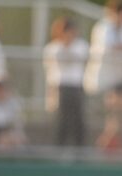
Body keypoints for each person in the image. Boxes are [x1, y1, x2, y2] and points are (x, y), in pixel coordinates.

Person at [85, 0, 122, 153]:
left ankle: (109, 143)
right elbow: (108, 48)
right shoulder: (103, 28)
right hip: (105, 81)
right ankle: (106, 144)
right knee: (116, 111)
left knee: (120, 116)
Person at [43, 17, 89, 147]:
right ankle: (59, 147)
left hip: (76, 86)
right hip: (60, 86)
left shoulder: (81, 46)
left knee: (78, 118)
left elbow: (80, 59)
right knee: (61, 119)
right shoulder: (52, 47)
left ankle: (80, 148)